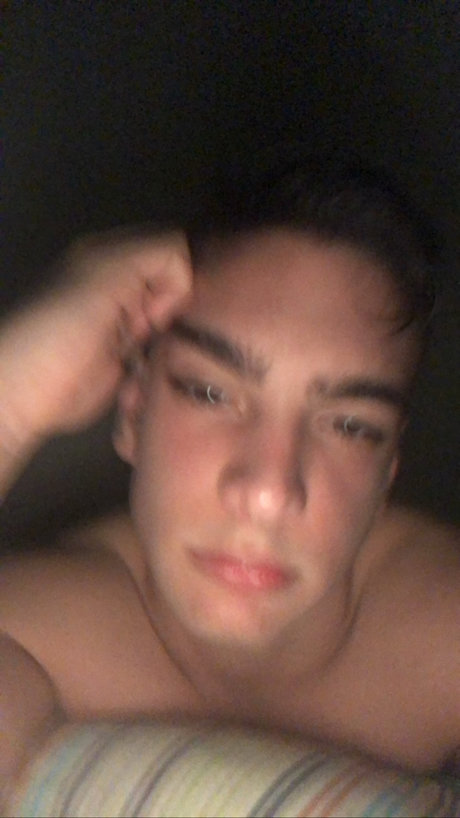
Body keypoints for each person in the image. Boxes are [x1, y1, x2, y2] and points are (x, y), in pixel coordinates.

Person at [0, 160, 459, 810]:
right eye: (211, 392)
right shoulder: (33, 637)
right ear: (133, 415)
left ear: (387, 472)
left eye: (351, 425)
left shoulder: (445, 635)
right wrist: (10, 403)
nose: (267, 492)